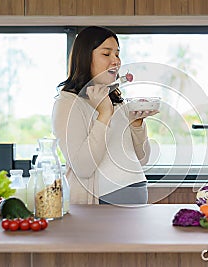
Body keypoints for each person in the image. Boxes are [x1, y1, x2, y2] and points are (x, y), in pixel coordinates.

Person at [52, 26, 157, 205]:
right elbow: (83, 167)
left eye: (117, 54)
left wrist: (137, 125)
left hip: (135, 201)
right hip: (100, 204)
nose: (115, 60)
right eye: (106, 54)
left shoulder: (116, 100)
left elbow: (142, 158)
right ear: (85, 58)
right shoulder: (68, 103)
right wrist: (104, 115)